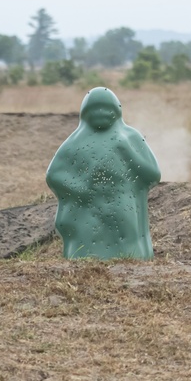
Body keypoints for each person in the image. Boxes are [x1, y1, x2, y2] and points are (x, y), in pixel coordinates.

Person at [45, 87, 160, 260]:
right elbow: (54, 174)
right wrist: (79, 190)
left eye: (107, 108)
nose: (101, 113)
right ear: (85, 113)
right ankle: (85, 261)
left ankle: (132, 261)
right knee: (85, 239)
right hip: (88, 206)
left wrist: (128, 152)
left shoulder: (130, 137)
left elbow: (152, 174)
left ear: (117, 110)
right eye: (95, 108)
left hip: (123, 201)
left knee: (129, 237)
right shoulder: (75, 142)